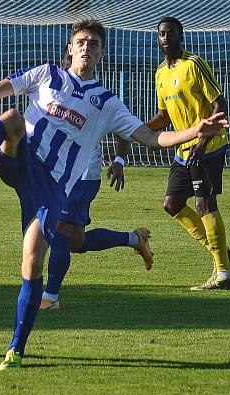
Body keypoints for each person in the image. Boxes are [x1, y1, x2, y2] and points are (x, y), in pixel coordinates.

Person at [0, 19, 228, 370]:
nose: (86, 47)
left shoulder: (106, 102)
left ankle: (16, 350)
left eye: (93, 43)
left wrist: (193, 131)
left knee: (33, 260)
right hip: (22, 162)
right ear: (69, 48)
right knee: (12, 117)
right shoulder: (47, 74)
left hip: (52, 189)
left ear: (101, 54)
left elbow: (151, 137)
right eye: (81, 41)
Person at [40, 49, 153, 312]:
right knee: (76, 242)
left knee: (60, 233)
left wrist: (119, 160)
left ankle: (50, 298)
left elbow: (123, 128)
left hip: (82, 176)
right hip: (60, 175)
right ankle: (135, 239)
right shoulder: (56, 95)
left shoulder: (97, 98)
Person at [142, 16, 230, 290]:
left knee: (204, 205)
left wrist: (202, 141)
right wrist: (138, 130)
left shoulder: (194, 65)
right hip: (183, 150)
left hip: (208, 146)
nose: (165, 38)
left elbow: (219, 103)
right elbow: (164, 116)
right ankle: (223, 254)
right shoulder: (161, 73)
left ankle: (224, 275)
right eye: (161, 34)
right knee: (171, 203)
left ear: (180, 36)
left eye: (170, 33)